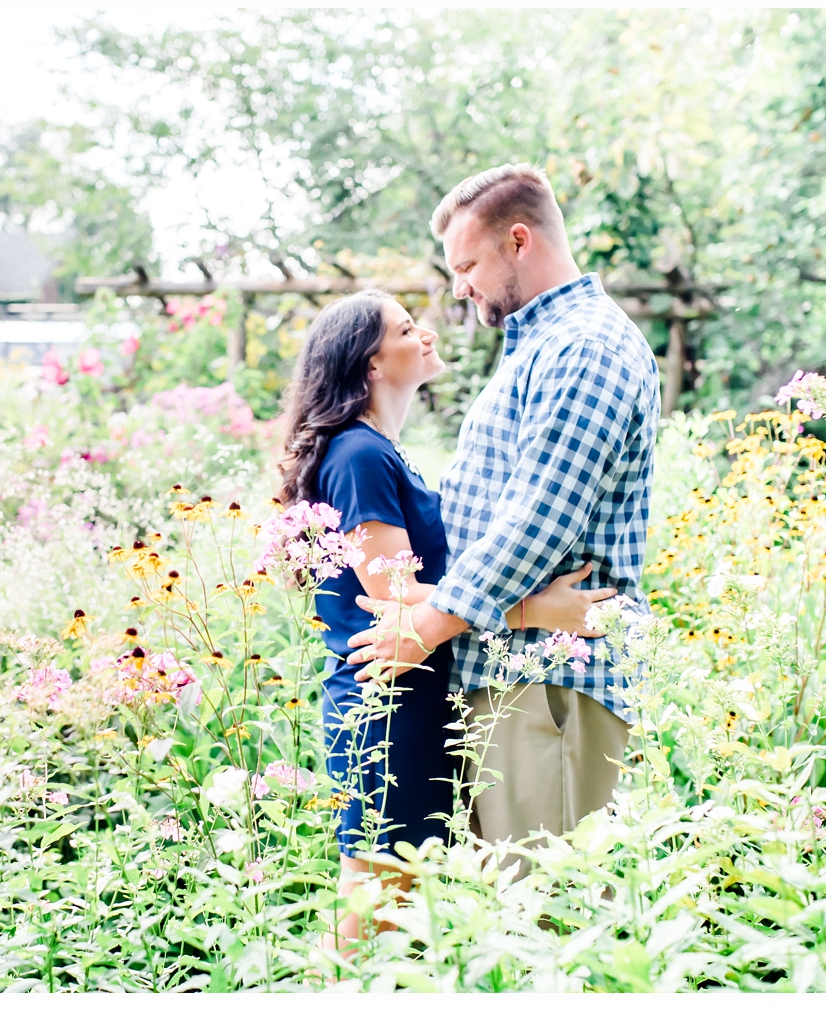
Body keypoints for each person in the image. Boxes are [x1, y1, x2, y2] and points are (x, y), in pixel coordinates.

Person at [277, 288, 615, 947]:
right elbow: (394, 597)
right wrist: (542, 608)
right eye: (407, 328)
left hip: (413, 694)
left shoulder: (379, 449)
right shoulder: (359, 456)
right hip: (384, 698)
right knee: (378, 888)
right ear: (371, 364)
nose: (425, 334)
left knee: (403, 896)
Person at [346, 163, 660, 858]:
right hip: (513, 675)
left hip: (550, 684)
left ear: (519, 241)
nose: (459, 288)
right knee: (507, 928)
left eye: (467, 265)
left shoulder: (583, 348)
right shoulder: (542, 346)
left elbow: (535, 521)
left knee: (546, 922)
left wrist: (423, 624)